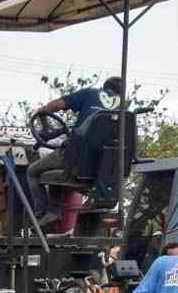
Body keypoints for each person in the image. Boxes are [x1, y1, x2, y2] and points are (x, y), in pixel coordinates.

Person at [26, 76, 123, 223]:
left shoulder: (90, 93)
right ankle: (55, 212)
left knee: (32, 172)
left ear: (104, 87)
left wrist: (43, 110)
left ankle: (42, 216)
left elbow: (58, 105)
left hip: (74, 158)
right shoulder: (124, 109)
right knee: (55, 174)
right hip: (101, 169)